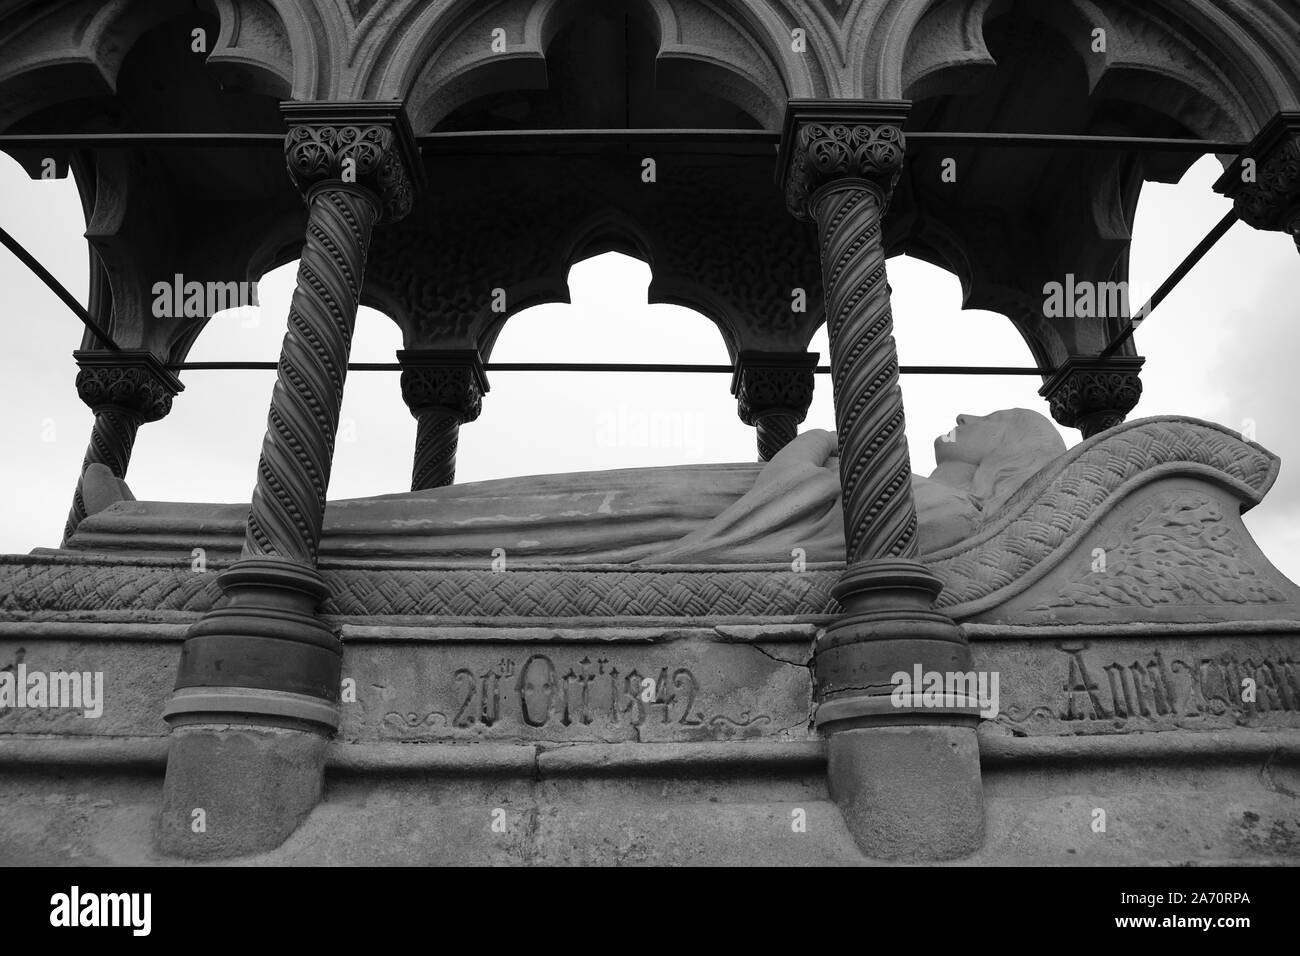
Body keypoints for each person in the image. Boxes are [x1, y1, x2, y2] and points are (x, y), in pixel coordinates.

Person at [70, 408, 1067, 564]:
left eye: (976, 419)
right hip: (673, 497)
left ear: (1007, 447)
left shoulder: (949, 512)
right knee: (416, 515)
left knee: (415, 531)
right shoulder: (949, 505)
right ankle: (146, 522)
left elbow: (779, 522)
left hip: (659, 521)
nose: (950, 420)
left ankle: (144, 532)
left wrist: (812, 442)